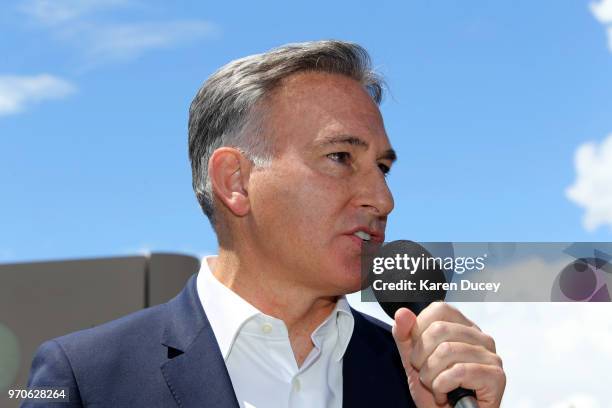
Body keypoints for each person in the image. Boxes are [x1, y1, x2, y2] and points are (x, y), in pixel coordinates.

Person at [23, 40, 505, 408]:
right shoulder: (85, 378)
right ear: (235, 180)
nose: (383, 198)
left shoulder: (418, 380)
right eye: (340, 157)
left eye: (383, 167)